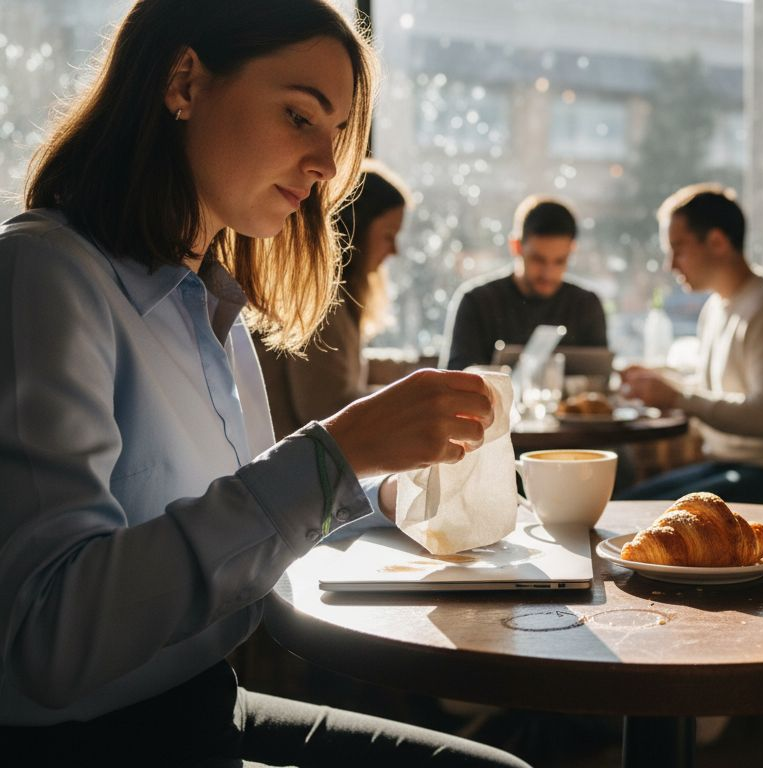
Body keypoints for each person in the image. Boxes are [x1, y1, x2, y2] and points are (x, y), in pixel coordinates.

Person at [0, 2, 527, 765]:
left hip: (201, 703)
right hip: (98, 741)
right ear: (185, 82)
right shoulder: (46, 277)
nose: (324, 168)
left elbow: (239, 519)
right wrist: (332, 457)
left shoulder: (207, 306)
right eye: (298, 116)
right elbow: (41, 637)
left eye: (336, 135)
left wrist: (381, 487)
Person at [617, 184, 763, 508]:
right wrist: (662, 384)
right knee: (623, 505)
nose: (670, 264)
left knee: (630, 513)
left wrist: (676, 397)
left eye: (678, 248)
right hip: (734, 467)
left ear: (717, 241)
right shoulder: (716, 308)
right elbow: (714, 391)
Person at [258, 158, 411, 436]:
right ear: (357, 230)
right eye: (388, 236)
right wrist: (409, 405)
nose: (394, 251)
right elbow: (326, 410)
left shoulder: (332, 296)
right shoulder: (319, 303)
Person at [443, 196, 606, 370]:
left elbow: (601, 381)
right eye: (538, 259)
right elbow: (455, 381)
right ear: (516, 246)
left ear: (572, 250)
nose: (548, 273)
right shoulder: (476, 302)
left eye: (560, 261)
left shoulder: (586, 305)